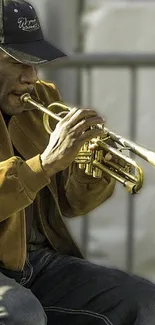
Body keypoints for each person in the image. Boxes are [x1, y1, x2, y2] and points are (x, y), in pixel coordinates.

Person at [0, 0, 155, 324]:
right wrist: (45, 163)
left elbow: (72, 205)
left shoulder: (41, 96)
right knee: (21, 314)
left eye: (36, 62)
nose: (32, 76)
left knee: (145, 301)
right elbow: (43, 168)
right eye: (18, 62)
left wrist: (89, 171)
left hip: (33, 261)